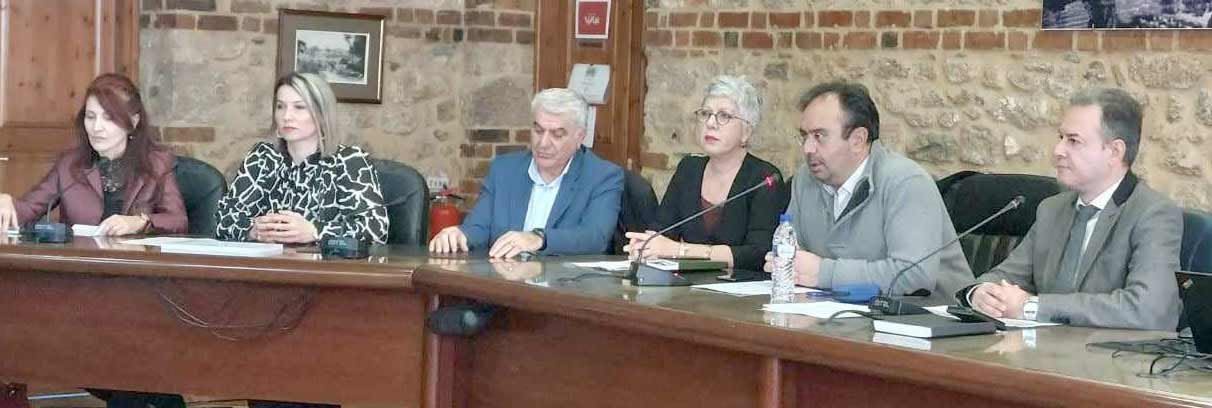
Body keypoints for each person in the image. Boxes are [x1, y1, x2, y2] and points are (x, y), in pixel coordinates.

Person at [957, 88, 1181, 330]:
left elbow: (1148, 310)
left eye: (1073, 141)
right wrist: (980, 293)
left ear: (1114, 152)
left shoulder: (1153, 214)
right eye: (1060, 137)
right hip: (1042, 349)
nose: (1058, 151)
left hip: (1107, 352)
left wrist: (1033, 307)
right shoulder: (1052, 210)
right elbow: (1006, 276)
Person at [764, 81, 974, 302]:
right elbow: (793, 254)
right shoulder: (805, 180)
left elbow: (914, 277)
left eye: (819, 136)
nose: (808, 148)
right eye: (804, 136)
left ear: (858, 140)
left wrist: (823, 273)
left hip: (928, 316)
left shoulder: (906, 182)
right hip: (838, 311)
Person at [429, 88, 623, 258]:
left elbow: (595, 237)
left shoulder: (602, 176)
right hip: (504, 282)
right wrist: (459, 235)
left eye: (556, 134)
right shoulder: (504, 170)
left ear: (579, 137)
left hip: (563, 285)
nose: (543, 143)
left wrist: (538, 238)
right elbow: (479, 227)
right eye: (538, 131)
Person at [624, 75, 787, 271]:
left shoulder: (765, 178)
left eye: (724, 116)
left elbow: (758, 253)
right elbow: (662, 231)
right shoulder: (689, 169)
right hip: (688, 284)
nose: (710, 123)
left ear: (747, 131)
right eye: (705, 113)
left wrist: (680, 250)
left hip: (741, 287)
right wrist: (646, 246)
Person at [0, 73, 186, 236]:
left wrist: (139, 222)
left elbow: (178, 221)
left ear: (133, 122)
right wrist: (7, 203)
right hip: (82, 261)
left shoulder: (157, 163)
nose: (96, 127)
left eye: (108, 118)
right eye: (90, 117)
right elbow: (27, 210)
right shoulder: (69, 164)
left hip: (135, 262)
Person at [215, 72, 388, 245]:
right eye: (280, 107)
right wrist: (253, 230)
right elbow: (222, 220)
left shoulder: (349, 161)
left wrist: (314, 231)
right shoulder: (263, 157)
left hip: (325, 262)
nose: (286, 116)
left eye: (299, 107)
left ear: (322, 114)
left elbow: (375, 229)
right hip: (270, 261)